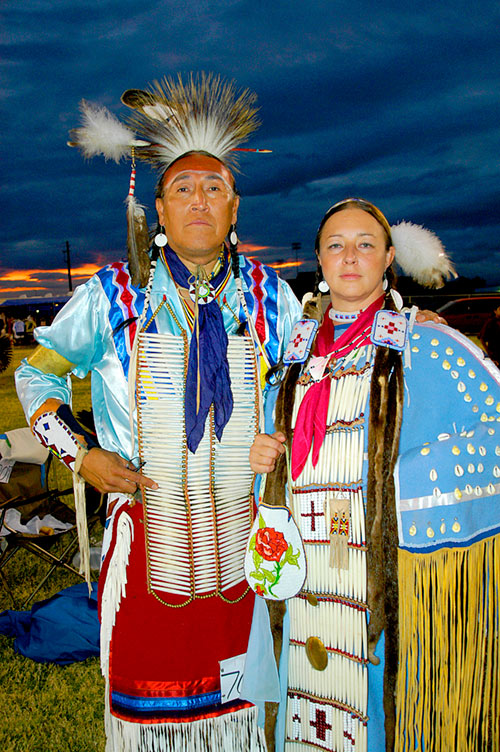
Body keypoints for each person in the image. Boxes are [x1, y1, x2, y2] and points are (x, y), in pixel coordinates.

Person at [15, 74, 301, 751]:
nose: (198, 200)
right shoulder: (112, 298)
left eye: (214, 188)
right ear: (160, 214)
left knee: (236, 703)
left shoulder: (273, 300)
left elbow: (315, 382)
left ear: (235, 209)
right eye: (183, 189)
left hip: (240, 537)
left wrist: (397, 331)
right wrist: (80, 453)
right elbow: (35, 374)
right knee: (148, 711)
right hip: (147, 540)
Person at [246, 199, 500, 751]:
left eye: (365, 244)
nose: (350, 256)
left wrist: (400, 482)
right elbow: (275, 439)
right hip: (305, 571)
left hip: (380, 575)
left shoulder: (427, 346)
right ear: (318, 259)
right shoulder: (294, 356)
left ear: (389, 258)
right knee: (306, 696)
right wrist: (263, 455)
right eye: (336, 245)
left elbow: (493, 426)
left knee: (377, 708)